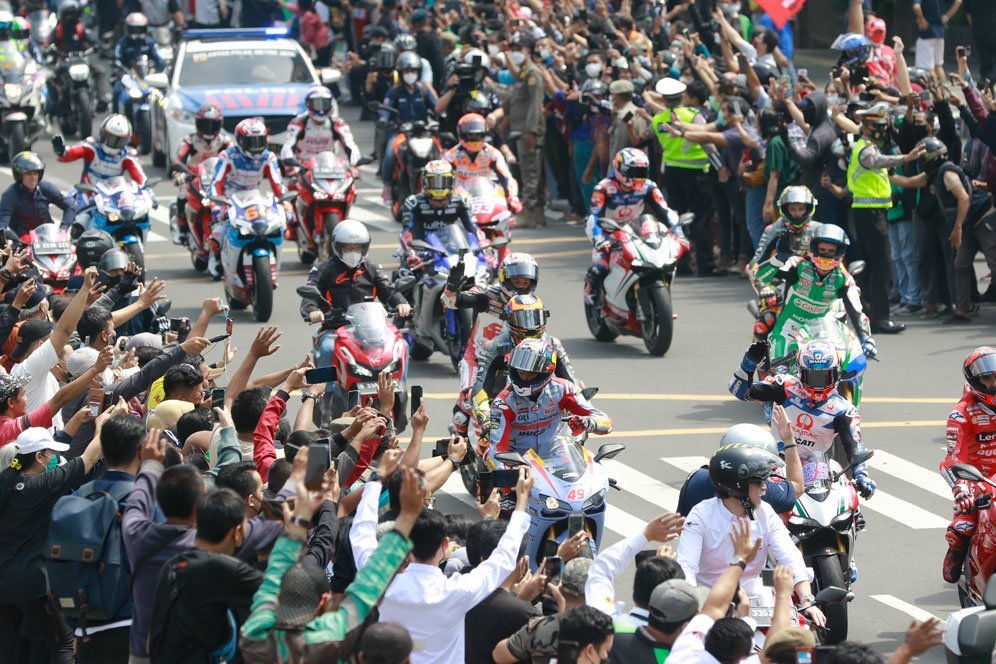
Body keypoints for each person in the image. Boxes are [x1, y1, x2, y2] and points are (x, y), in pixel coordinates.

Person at [239, 468, 424, 663]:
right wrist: (408, 516)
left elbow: (272, 581)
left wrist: (406, 519)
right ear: (323, 602)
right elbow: (367, 585)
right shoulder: (328, 639)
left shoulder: (253, 637)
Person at [375, 469, 534, 664]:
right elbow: (503, 557)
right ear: (444, 545)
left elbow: (361, 536)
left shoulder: (381, 584)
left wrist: (378, 478)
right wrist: (522, 500)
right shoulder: (457, 590)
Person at [675, 445, 827, 627]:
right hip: (709, 601)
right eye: (758, 482)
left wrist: (806, 599)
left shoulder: (766, 512)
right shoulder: (700, 516)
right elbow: (686, 567)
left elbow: (790, 556)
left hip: (757, 600)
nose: (765, 487)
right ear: (736, 487)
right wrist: (696, 607)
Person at [0, 413, 110, 663]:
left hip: (3, 580)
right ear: (38, 457)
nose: (54, 459)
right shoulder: (41, 485)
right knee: (64, 643)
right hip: (31, 581)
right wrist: (102, 424)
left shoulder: (6, 481)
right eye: (50, 454)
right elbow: (91, 456)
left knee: (7, 647)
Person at [148, 488, 264, 662]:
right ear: (237, 532)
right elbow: (279, 593)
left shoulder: (171, 566)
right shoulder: (224, 569)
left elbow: (151, 641)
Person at [752, 223, 878, 368]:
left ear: (839, 252)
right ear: (814, 248)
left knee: (840, 369)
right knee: (780, 374)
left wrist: (866, 338)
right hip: (788, 330)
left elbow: (856, 311)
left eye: (831, 251)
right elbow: (760, 276)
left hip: (822, 332)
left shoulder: (844, 279)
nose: (825, 254)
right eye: (822, 249)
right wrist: (777, 260)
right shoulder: (796, 265)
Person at [847, 105, 926, 334]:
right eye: (875, 126)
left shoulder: (866, 145)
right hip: (870, 213)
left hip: (870, 212)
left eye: (882, 126)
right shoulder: (865, 149)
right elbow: (878, 161)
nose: (880, 130)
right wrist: (905, 158)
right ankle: (880, 318)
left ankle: (866, 314)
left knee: (871, 265)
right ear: (866, 127)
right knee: (881, 265)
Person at [444, 252, 539, 437]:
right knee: (467, 406)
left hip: (514, 363)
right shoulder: (486, 294)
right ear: (505, 279)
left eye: (525, 283)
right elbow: (450, 303)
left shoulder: (532, 304)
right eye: (516, 282)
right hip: (477, 359)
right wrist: (452, 289)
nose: (520, 287)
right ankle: (459, 446)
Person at [300, 219, 411, 374]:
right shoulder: (323, 270)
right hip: (335, 329)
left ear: (364, 248)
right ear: (337, 247)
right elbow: (310, 293)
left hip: (370, 331)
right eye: (348, 248)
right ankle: (325, 393)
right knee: (327, 349)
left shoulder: (371, 268)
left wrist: (400, 302)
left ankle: (397, 393)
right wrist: (312, 310)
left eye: (357, 248)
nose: (353, 252)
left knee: (401, 347)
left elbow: (388, 289)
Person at [584, 148, 684, 305]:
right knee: (600, 267)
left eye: (642, 172)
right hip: (608, 233)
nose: (639, 177)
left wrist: (678, 232)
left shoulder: (649, 187)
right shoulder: (603, 188)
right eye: (635, 171)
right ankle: (592, 291)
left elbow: (665, 211)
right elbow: (594, 217)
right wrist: (598, 239)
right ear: (620, 169)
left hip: (636, 231)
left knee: (656, 261)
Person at [487, 338, 611, 463]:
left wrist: (588, 423)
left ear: (545, 372)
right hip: (520, 462)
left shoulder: (564, 389)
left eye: (531, 373)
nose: (524, 377)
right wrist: (511, 471)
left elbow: (606, 423)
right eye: (520, 371)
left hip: (556, 458)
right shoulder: (502, 403)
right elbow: (496, 451)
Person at [939, 347, 996, 582]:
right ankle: (956, 551)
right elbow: (952, 459)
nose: (993, 383)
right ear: (974, 381)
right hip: (977, 478)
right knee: (964, 524)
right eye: (987, 378)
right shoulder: (961, 415)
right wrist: (960, 488)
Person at [676, 418, 804, 517]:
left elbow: (681, 525)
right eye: (759, 463)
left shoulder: (695, 478)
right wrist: (789, 440)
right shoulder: (758, 492)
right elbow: (797, 487)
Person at [210, 118, 285, 278]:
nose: (256, 146)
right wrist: (218, 204)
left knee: (278, 225)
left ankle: (272, 263)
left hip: (254, 199)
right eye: (251, 141)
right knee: (218, 230)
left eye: (260, 141)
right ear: (239, 140)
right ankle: (216, 257)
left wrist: (285, 202)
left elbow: (277, 183)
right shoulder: (227, 155)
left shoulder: (268, 157)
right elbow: (215, 182)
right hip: (230, 200)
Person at [471, 294, 577, 405]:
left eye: (534, 317)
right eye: (522, 319)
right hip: (501, 403)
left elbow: (570, 378)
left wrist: (580, 400)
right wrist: (484, 411)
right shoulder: (495, 346)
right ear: (510, 319)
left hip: (544, 404)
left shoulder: (553, 344)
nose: (529, 326)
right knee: (465, 407)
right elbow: (480, 384)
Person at [748, 186, 818, 340]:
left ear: (809, 208)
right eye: (792, 209)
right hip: (778, 285)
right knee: (764, 324)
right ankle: (759, 359)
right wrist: (765, 287)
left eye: (800, 208)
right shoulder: (773, 230)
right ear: (785, 209)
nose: (797, 213)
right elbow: (755, 264)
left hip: (813, 286)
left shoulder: (819, 230)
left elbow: (836, 263)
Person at [53, 114, 146, 227]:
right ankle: (73, 238)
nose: (114, 143)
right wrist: (61, 150)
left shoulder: (127, 155)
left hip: (113, 197)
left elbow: (140, 177)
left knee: (133, 218)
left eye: (119, 140)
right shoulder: (91, 147)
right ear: (103, 134)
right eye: (111, 138)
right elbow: (71, 153)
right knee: (80, 222)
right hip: (88, 192)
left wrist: (147, 193)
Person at [493, 558, 593, 662]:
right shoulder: (605, 634)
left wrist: (523, 598)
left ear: (560, 590)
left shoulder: (540, 627)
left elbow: (499, 655)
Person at [496, 32, 546, 228]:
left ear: (528, 51)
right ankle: (538, 213)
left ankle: (530, 213)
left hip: (527, 131)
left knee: (530, 173)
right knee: (532, 172)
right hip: (519, 129)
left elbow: (535, 104)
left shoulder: (533, 74)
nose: (516, 53)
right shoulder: (524, 74)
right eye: (513, 50)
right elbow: (513, 95)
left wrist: (531, 130)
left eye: (519, 49)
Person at [170, 104, 233, 246]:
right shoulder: (189, 140)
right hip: (194, 178)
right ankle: (181, 227)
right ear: (198, 124)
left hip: (218, 177)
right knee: (182, 194)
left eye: (213, 125)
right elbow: (180, 159)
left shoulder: (225, 141)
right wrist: (178, 173)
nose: (208, 128)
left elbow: (234, 158)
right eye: (205, 124)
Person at [379, 50, 438, 199]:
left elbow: (436, 107)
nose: (410, 74)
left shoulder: (424, 90)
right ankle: (386, 185)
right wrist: (383, 119)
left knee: (439, 152)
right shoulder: (394, 92)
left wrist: (440, 116)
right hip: (401, 133)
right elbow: (385, 109)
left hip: (423, 133)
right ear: (400, 72)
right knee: (390, 153)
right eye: (406, 71)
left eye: (413, 70)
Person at [443, 113, 521, 214]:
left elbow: (506, 177)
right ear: (462, 134)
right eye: (470, 135)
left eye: (478, 135)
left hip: (486, 196)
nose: (474, 138)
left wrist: (512, 198)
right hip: (460, 198)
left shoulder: (493, 153)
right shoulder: (450, 155)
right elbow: (442, 180)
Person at [399, 160, 478, 260]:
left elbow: (473, 228)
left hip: (450, 248)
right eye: (435, 182)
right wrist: (410, 251)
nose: (439, 188)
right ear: (425, 182)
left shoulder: (461, 201)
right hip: (421, 249)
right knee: (407, 270)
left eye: (444, 182)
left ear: (452, 182)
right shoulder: (413, 202)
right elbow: (407, 232)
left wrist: (483, 247)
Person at [280, 86, 362, 167]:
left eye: (324, 104)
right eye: (316, 104)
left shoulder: (338, 123)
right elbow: (288, 144)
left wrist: (355, 162)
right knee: (292, 177)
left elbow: (350, 144)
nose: (321, 109)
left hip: (329, 166)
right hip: (303, 166)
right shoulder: (297, 123)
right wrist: (288, 159)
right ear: (308, 103)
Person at [0, 151, 75, 236]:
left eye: (35, 173)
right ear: (19, 175)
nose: (33, 178)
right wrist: (5, 237)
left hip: (49, 240)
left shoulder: (46, 188)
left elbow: (70, 205)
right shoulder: (9, 196)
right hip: (22, 243)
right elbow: (2, 222)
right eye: (28, 174)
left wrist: (63, 229)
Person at [112, 13, 166, 115]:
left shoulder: (150, 42)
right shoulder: (122, 43)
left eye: (139, 29)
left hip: (148, 76)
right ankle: (115, 116)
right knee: (117, 91)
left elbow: (159, 60)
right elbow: (117, 59)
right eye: (134, 29)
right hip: (129, 77)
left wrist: (158, 69)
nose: (137, 32)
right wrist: (119, 68)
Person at [912, 0, 961, 83]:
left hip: (926, 33)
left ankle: (936, 93)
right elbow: (958, 2)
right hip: (940, 32)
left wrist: (921, 18)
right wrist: (946, 17)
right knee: (938, 66)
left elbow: (916, 7)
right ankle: (943, 94)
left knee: (928, 68)